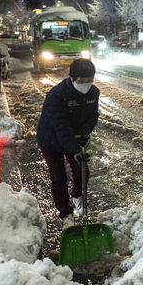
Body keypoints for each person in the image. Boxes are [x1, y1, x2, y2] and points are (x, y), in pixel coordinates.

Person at [36, 58, 99, 227]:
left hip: (73, 138)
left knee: (82, 170)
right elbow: (61, 126)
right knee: (59, 177)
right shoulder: (56, 95)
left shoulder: (93, 93)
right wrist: (74, 149)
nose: (85, 85)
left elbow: (93, 115)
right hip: (51, 139)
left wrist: (85, 131)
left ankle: (78, 197)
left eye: (89, 81)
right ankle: (65, 215)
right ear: (72, 78)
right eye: (81, 81)